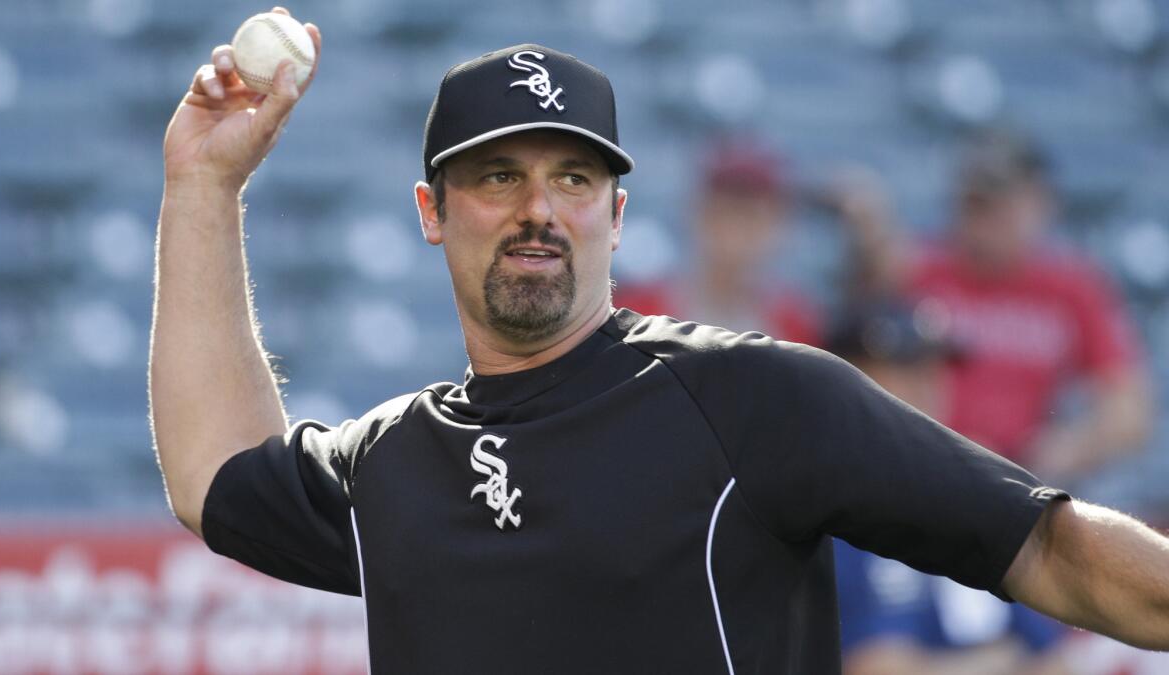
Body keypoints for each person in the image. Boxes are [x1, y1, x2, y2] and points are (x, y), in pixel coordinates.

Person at [150, 9, 1169, 674]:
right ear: (431, 210)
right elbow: (217, 478)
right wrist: (204, 183)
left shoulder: (755, 401)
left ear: (619, 215)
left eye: (575, 179)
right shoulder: (392, 464)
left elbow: (1048, 545)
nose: (539, 208)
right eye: (498, 177)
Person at [833, 134, 1153, 484]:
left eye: (998, 206)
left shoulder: (1072, 287)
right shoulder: (916, 269)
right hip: (924, 467)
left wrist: (1069, 449)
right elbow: (852, 363)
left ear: (1039, 203)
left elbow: (1128, 412)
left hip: (1022, 480)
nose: (983, 222)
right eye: (973, 204)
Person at [826, 302, 1072, 675]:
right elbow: (873, 668)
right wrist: (1001, 659)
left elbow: (1055, 661)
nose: (928, 383)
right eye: (906, 367)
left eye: (935, 368)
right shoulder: (826, 506)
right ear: (848, 377)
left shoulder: (979, 498)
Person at [614, 141, 822, 344]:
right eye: (724, 212)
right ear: (695, 213)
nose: (736, 231)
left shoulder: (798, 323)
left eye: (752, 216)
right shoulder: (635, 314)